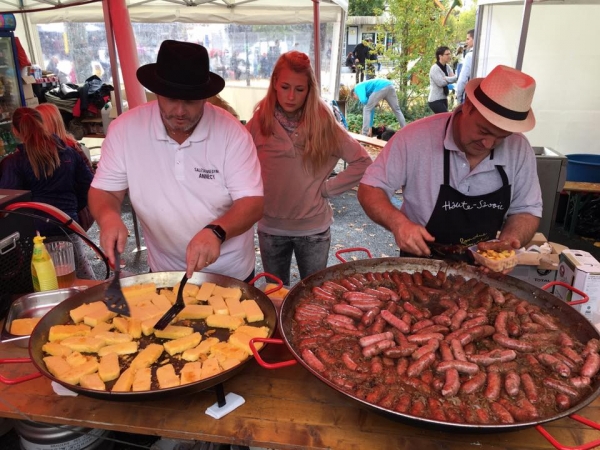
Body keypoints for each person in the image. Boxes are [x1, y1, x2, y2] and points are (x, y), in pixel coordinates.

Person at [89, 40, 264, 281]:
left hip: (228, 272)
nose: (180, 111)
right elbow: (105, 190)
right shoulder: (125, 130)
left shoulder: (231, 133)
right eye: (171, 98)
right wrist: (108, 217)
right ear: (157, 92)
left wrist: (217, 231)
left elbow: (252, 202)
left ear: (205, 97)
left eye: (190, 101)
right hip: (164, 271)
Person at [357, 65, 543, 262]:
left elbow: (526, 209)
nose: (488, 143)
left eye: (501, 137)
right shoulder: (414, 138)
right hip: (420, 264)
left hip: (484, 269)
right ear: (467, 105)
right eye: (484, 131)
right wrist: (398, 224)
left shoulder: (519, 148)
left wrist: (509, 242)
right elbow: (370, 188)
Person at [246, 51, 372, 286]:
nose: (291, 96)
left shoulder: (322, 120)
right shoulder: (260, 119)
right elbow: (239, 162)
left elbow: (363, 162)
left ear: (309, 89)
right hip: (270, 226)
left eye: (299, 89)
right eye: (284, 87)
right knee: (275, 294)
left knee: (314, 295)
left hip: (312, 228)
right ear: (274, 83)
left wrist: (326, 189)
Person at [0, 107, 95, 279]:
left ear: (15, 131)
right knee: (81, 279)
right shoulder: (69, 153)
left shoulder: (13, 162)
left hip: (34, 235)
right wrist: (71, 208)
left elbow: (9, 203)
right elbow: (88, 184)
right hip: (67, 223)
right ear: (42, 124)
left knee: (44, 282)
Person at [428, 46, 457, 114]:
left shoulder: (447, 67)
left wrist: (446, 78)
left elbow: (455, 78)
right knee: (446, 118)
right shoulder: (434, 68)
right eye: (447, 54)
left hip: (444, 98)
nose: (449, 56)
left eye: (450, 54)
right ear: (440, 56)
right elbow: (441, 83)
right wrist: (450, 79)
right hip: (435, 100)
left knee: (442, 121)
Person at [456, 29, 475, 105]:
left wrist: (458, 97)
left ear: (474, 38)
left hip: (469, 95)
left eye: (468, 39)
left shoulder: (470, 55)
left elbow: (463, 79)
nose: (466, 41)